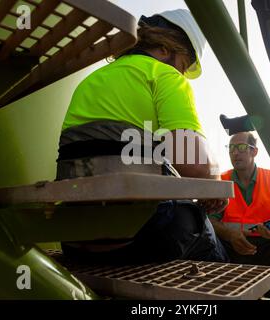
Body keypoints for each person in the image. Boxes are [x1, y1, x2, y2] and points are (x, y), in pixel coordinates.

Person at [56, 9, 228, 264]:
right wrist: (214, 180)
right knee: (202, 230)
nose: (181, 74)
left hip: (75, 239)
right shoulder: (164, 76)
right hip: (145, 238)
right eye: (182, 65)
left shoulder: (92, 80)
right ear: (165, 47)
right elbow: (195, 164)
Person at [209, 131, 270, 298]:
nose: (235, 152)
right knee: (204, 239)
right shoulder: (221, 181)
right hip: (231, 249)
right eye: (231, 148)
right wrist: (230, 234)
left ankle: (265, 282)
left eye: (241, 147)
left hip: (267, 247)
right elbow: (210, 220)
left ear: (254, 151)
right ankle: (255, 283)